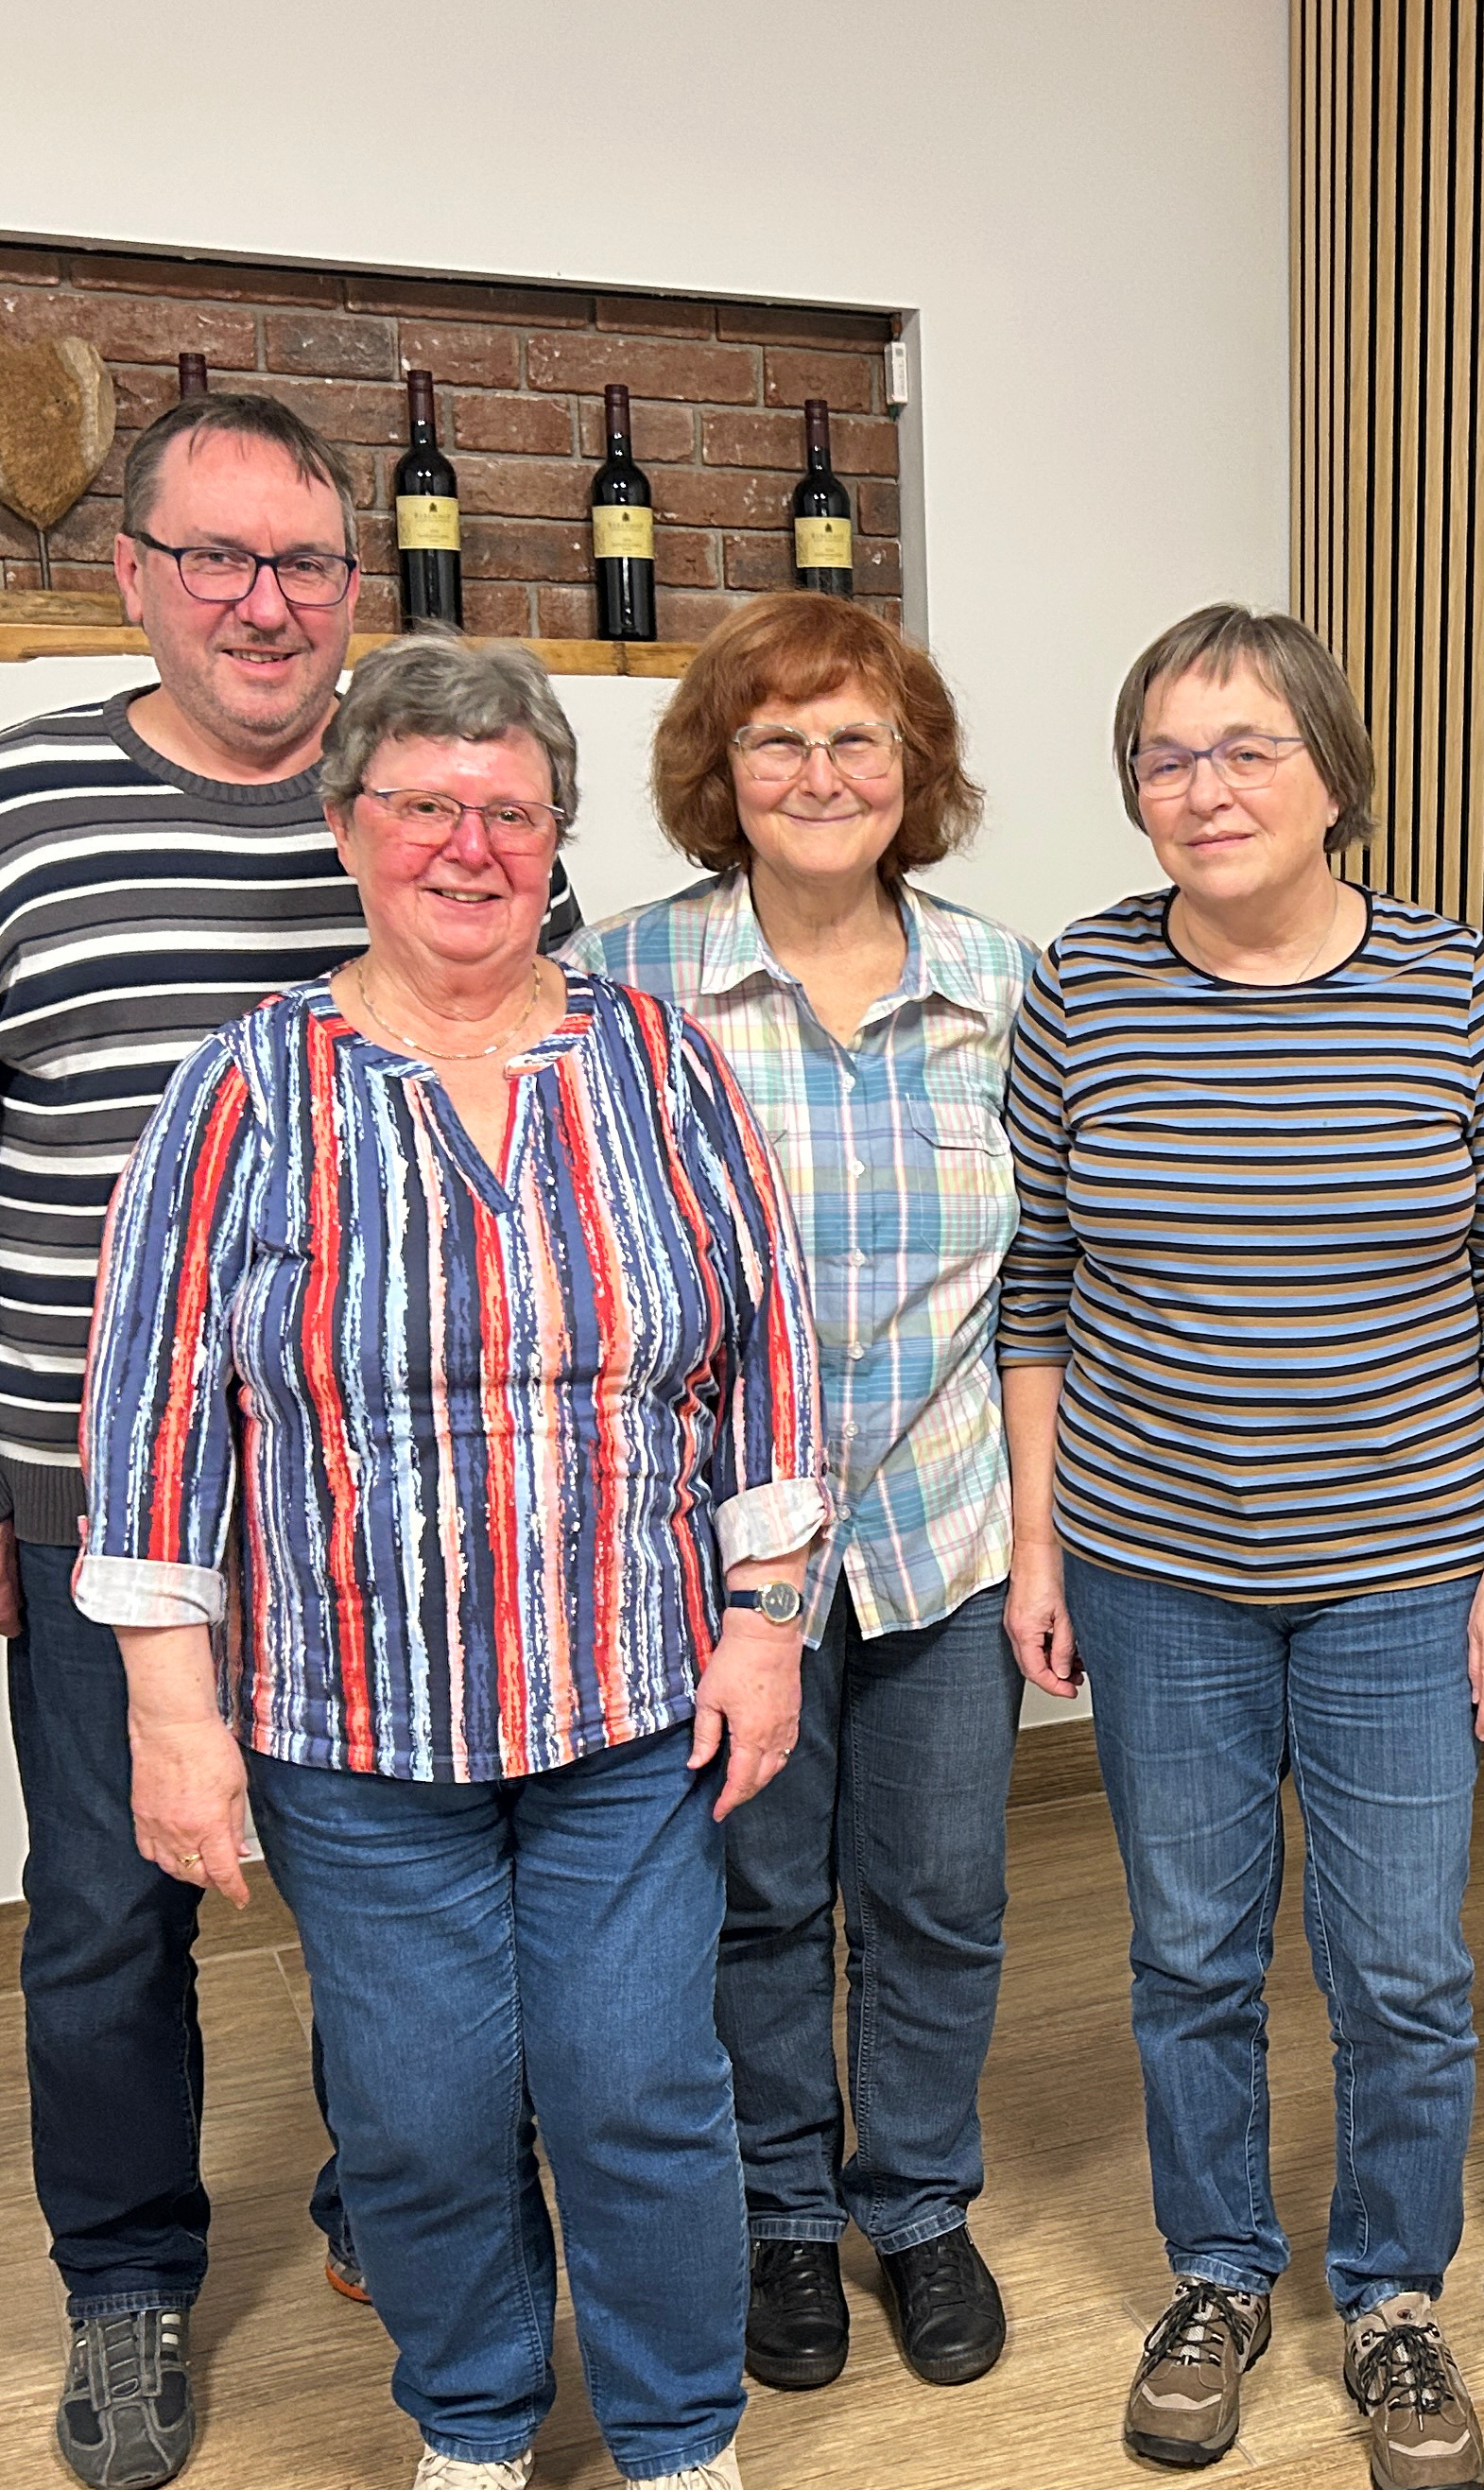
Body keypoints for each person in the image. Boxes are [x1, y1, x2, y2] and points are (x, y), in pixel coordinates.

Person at [0, 394, 578, 2490]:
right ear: (137, 573)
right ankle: (131, 2278)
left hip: (397, 1506)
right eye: (220, 560)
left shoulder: (435, 792)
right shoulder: (5, 808)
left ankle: (393, 2196)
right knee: (102, 1909)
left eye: (308, 566)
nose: (268, 604)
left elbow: (559, 1093)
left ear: (361, 586)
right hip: (96, 1493)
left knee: (414, 1894)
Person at [83, 636, 822, 2490]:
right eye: (425, 804)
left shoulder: (660, 1064)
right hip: (351, 1722)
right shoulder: (251, 1085)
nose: (468, 846)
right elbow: (155, 1402)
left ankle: (673, 2439)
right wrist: (176, 1718)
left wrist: (766, 1625)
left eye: (509, 810)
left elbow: (772, 1355)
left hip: (630, 1699)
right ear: (348, 829)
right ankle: (476, 2422)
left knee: (638, 2085)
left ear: (555, 838)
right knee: (415, 2110)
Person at [999, 605, 1484, 2490]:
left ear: (1335, 773)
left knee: (1400, 1961)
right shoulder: (1081, 991)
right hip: (1161, 1572)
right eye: (1164, 755)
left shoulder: (1455, 989)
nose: (1201, 788)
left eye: (1245, 748)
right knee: (1187, 1952)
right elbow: (1041, 1292)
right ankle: (1224, 2277)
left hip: (1408, 1576)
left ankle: (1392, 2292)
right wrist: (1040, 1545)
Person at [569, 594, 1033, 2396]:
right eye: (779, 740)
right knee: (754, 1902)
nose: (822, 773)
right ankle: (779, 2213)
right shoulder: (625, 986)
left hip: (944, 1536)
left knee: (938, 1897)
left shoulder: (1006, 986)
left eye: (859, 739)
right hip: (713, 1563)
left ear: (911, 770)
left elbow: (1050, 1284)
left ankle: (916, 2202)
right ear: (721, 773)